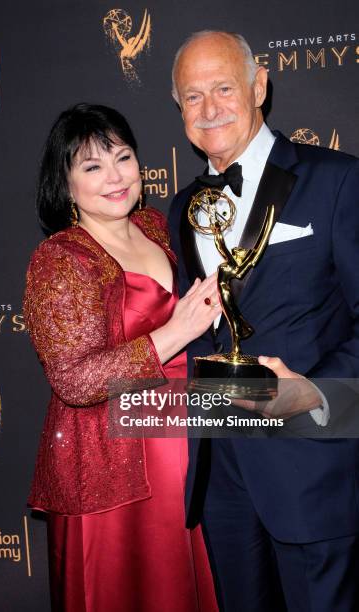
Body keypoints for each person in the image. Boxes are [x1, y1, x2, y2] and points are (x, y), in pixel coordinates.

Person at [169, 31, 359, 612]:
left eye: (224, 88)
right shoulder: (180, 208)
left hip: (312, 465)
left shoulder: (338, 181)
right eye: (192, 96)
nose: (210, 108)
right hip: (221, 475)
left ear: (259, 85)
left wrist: (314, 394)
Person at [23, 103, 219, 612]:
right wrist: (173, 333)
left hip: (189, 446)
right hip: (116, 469)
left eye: (123, 157)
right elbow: (74, 379)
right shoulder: (62, 258)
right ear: (65, 185)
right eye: (92, 166)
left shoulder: (157, 226)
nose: (114, 176)